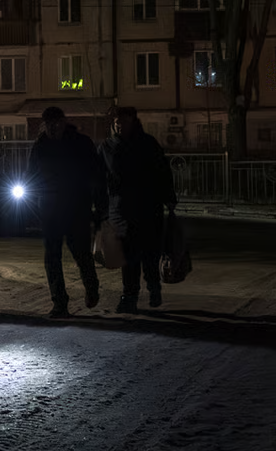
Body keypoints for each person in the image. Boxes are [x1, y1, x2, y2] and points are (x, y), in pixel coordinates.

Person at [26, 106, 105, 318]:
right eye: (49, 124)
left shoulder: (80, 143)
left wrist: (99, 206)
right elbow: (31, 176)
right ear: (45, 124)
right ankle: (59, 302)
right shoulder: (40, 146)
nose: (53, 128)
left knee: (80, 253)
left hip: (75, 208)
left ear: (63, 122)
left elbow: (96, 175)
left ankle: (91, 287)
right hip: (51, 209)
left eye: (57, 123)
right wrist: (33, 204)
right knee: (52, 257)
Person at [97, 105, 177, 314]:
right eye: (117, 122)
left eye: (124, 121)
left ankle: (153, 287)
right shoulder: (107, 147)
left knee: (149, 253)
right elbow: (97, 177)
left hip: (148, 206)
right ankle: (129, 296)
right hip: (121, 209)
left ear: (133, 122)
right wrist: (99, 204)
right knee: (128, 255)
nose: (120, 125)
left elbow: (162, 171)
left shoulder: (148, 144)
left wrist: (169, 197)